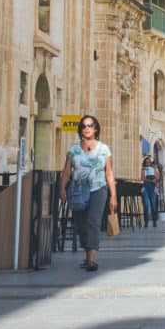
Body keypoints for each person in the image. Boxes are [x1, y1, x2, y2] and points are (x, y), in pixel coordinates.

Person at [58, 115, 116, 271]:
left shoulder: (104, 149)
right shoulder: (73, 149)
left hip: (99, 189)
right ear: (80, 130)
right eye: (84, 126)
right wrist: (62, 188)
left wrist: (113, 196)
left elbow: (109, 173)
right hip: (78, 190)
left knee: (93, 222)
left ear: (95, 128)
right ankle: (87, 254)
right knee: (81, 225)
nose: (87, 128)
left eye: (90, 125)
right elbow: (66, 171)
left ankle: (91, 259)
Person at [140, 152, 160, 228]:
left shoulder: (154, 168)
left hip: (153, 187)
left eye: (149, 162)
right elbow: (142, 178)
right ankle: (146, 222)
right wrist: (151, 181)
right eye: (146, 162)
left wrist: (155, 169)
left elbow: (157, 177)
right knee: (145, 204)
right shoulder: (144, 169)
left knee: (153, 204)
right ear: (144, 163)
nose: (148, 163)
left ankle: (154, 221)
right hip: (145, 186)